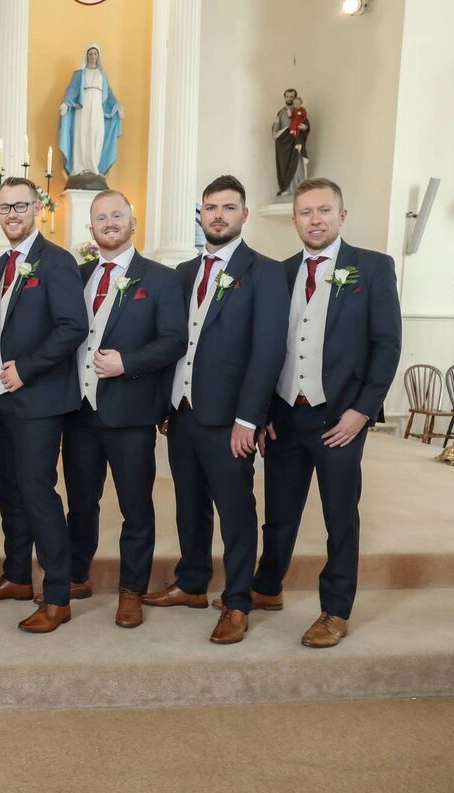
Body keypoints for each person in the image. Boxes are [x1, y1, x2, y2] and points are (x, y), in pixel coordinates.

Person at [250, 178, 402, 648]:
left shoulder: (373, 268)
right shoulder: (279, 272)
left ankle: (335, 610)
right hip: (284, 417)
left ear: (342, 215)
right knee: (278, 515)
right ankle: (267, 586)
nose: (314, 220)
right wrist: (261, 410)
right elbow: (265, 348)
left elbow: (387, 345)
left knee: (340, 516)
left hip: (339, 419)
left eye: (323, 211)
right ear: (293, 219)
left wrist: (362, 411)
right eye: (305, 212)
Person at [141, 176, 290, 644]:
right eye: (210, 207)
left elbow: (268, 350)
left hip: (230, 419)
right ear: (199, 215)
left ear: (244, 215)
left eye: (228, 207)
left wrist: (249, 418)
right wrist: (166, 402)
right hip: (182, 411)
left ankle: (239, 601)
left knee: (236, 510)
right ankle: (191, 582)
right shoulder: (182, 274)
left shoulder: (264, 272)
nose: (218, 215)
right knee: (188, 504)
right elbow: (170, 343)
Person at [0, 177, 87, 633]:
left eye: (20, 205)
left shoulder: (56, 262)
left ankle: (57, 595)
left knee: (38, 491)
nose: (11, 213)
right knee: (9, 492)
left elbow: (72, 327)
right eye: (4, 207)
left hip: (37, 396)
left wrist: (27, 369)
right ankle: (17, 576)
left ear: (37, 208)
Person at [60, 191, 186, 629]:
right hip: (79, 412)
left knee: (136, 507)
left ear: (133, 223)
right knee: (81, 503)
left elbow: (174, 341)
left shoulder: (162, 279)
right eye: (101, 217)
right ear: (90, 228)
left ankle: (131, 589)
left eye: (117, 216)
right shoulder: (75, 276)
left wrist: (127, 362)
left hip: (130, 414)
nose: (109, 223)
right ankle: (77, 574)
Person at [58, 44, 124, 179]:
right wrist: (66, 103)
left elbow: (109, 93)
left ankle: (94, 166)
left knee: (96, 134)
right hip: (83, 108)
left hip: (97, 109)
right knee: (82, 134)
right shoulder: (80, 73)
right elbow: (72, 89)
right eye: (90, 54)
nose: (92, 56)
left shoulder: (102, 74)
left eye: (95, 54)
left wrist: (118, 106)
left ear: (98, 56)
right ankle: (79, 167)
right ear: (86, 56)